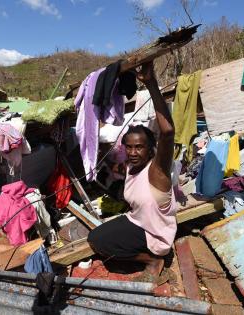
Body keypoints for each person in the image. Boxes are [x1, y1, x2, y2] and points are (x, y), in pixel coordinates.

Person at [87, 61, 177, 281]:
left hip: (155, 234)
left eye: (139, 147)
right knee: (96, 236)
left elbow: (167, 132)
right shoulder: (129, 167)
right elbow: (116, 167)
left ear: (150, 150)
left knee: (100, 243)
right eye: (129, 147)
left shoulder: (157, 171)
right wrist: (97, 159)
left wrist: (151, 83)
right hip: (137, 221)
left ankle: (153, 260)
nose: (133, 152)